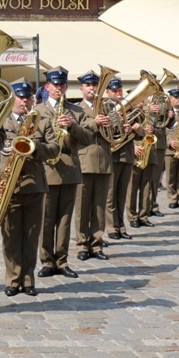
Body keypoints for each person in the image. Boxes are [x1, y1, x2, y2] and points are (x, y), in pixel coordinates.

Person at [0, 77, 58, 297]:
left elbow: (54, 148)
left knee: (32, 236)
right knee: (11, 236)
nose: (25, 101)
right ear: (12, 98)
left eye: (28, 97)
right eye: (20, 97)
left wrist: (34, 147)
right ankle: (12, 279)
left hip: (34, 184)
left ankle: (28, 279)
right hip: (9, 186)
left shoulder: (41, 121)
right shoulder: (1, 121)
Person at [34, 66, 93, 279]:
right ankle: (47, 260)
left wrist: (72, 127)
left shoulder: (76, 111)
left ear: (66, 86)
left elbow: (88, 138)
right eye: (54, 84)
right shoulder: (38, 112)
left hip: (69, 171)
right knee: (46, 219)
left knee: (65, 219)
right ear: (47, 86)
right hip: (47, 170)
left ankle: (62, 259)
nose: (58, 88)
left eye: (62, 85)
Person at [74, 70, 111, 261]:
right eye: (88, 85)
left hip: (104, 162)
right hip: (84, 163)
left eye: (95, 85)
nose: (92, 89)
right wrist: (95, 123)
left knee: (99, 207)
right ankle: (82, 244)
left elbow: (115, 133)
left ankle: (96, 244)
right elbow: (77, 132)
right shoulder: (77, 110)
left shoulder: (107, 108)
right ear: (81, 89)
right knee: (82, 207)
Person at [105, 77, 135, 240]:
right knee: (111, 195)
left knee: (122, 195)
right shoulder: (104, 109)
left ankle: (121, 225)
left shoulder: (127, 108)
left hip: (127, 155)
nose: (117, 93)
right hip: (113, 155)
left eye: (119, 90)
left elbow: (142, 130)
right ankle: (111, 227)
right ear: (108, 92)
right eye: (114, 91)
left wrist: (133, 128)